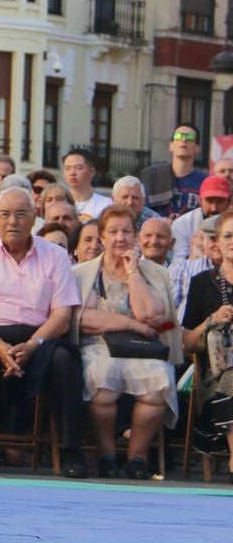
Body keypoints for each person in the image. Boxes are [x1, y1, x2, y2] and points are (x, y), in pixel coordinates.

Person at [0, 187, 87, 478]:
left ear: (34, 218)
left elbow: (62, 316)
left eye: (21, 214)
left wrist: (33, 344)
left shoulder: (55, 255)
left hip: (39, 337)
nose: (12, 221)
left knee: (64, 361)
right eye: (5, 214)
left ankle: (71, 451)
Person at [71, 205, 181, 479]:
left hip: (142, 348)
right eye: (113, 232)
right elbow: (83, 320)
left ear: (135, 235)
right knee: (102, 382)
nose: (120, 238)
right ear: (102, 236)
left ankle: (137, 458)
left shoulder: (153, 272)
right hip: (98, 345)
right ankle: (106, 455)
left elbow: (152, 315)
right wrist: (132, 324)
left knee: (158, 384)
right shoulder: (83, 273)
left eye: (126, 232)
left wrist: (133, 273)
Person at [181, 210, 233, 482]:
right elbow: (187, 343)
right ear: (217, 242)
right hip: (213, 373)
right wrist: (211, 320)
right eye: (228, 235)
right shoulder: (202, 283)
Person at [170, 175, 229, 263]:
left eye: (220, 202)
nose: (214, 208)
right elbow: (179, 262)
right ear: (200, 201)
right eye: (209, 201)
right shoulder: (182, 224)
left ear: (229, 202)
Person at [162, 124, 205, 218]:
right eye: (178, 136)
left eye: (190, 137)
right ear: (171, 146)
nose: (184, 140)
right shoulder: (154, 177)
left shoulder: (205, 182)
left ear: (197, 148)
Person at [62, 148, 112, 222]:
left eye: (78, 168)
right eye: (67, 168)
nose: (72, 173)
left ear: (92, 171)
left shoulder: (107, 204)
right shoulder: (58, 203)